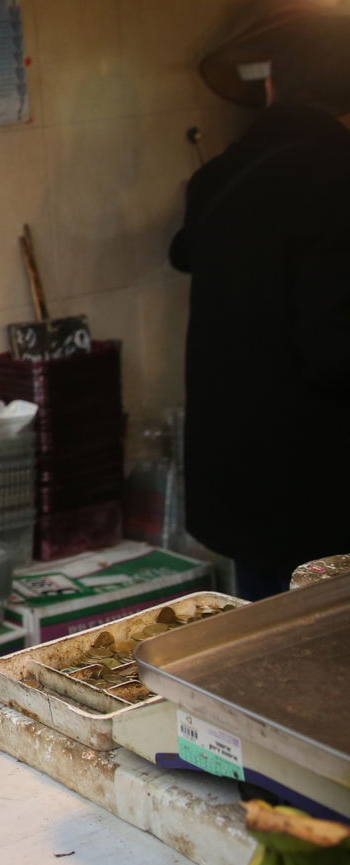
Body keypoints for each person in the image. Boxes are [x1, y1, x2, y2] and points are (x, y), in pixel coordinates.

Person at [170, 13, 350, 602]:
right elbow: (335, 350)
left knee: (265, 662)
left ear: (271, 88)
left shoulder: (217, 179)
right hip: (321, 501)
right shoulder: (336, 182)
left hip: (240, 493)